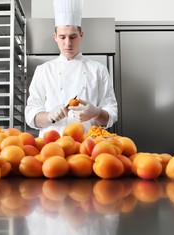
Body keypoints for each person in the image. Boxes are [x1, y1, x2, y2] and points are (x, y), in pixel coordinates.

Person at [25, 0, 118, 137]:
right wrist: (49, 116)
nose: (68, 43)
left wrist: (96, 113)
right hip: (52, 148)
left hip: (89, 147)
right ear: (55, 37)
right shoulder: (43, 70)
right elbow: (31, 115)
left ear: (81, 35)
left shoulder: (99, 70)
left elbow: (111, 115)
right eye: (62, 37)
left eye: (73, 37)